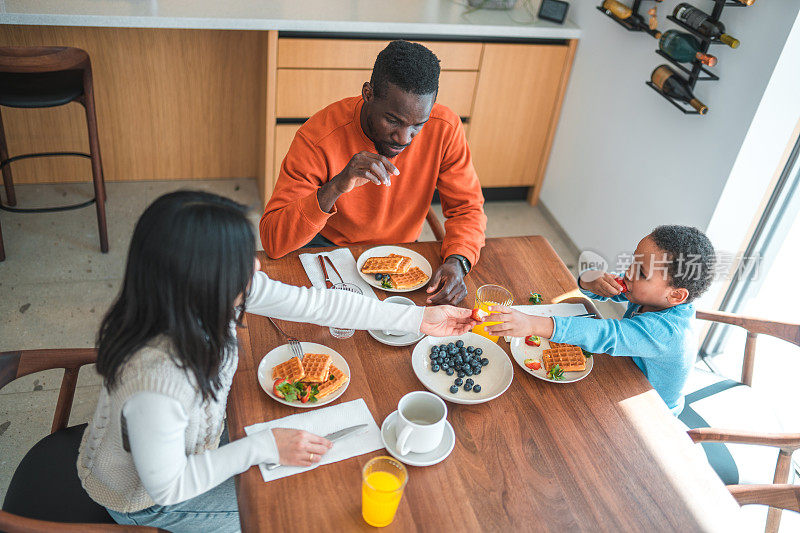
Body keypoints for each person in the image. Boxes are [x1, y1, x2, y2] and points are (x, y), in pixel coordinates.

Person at [77, 191, 476, 532]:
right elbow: (168, 486)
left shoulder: (191, 300)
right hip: (145, 498)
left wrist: (418, 318)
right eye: (242, 261)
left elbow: (319, 304)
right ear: (203, 280)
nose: (257, 266)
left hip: (198, 443)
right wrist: (263, 446)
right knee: (293, 508)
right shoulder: (158, 382)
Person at [260, 40, 487, 306]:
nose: (404, 138)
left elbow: (467, 209)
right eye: (392, 120)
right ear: (368, 93)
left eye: (418, 125)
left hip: (403, 253)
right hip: (329, 248)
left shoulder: (445, 128)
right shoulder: (318, 136)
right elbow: (273, 241)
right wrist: (336, 187)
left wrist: (458, 261)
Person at [485, 225, 716, 415]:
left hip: (653, 411)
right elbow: (598, 284)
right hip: (623, 375)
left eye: (641, 272)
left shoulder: (668, 332)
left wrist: (534, 323)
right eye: (633, 261)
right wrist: (590, 281)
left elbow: (608, 334)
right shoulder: (650, 292)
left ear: (676, 295)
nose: (629, 273)